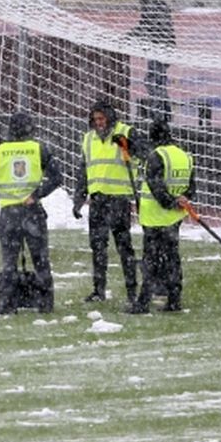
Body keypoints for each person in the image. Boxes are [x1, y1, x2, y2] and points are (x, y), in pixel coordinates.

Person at [72, 100, 148, 307]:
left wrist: (129, 145)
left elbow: (145, 153)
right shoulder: (88, 139)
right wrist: (79, 198)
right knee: (97, 247)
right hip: (98, 201)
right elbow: (84, 170)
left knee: (124, 248)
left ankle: (132, 290)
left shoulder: (126, 131)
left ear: (109, 117)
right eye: (95, 119)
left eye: (101, 118)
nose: (98, 123)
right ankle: (98, 290)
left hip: (119, 200)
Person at [0, 111, 63, 314]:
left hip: (9, 213)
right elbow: (56, 178)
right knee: (40, 259)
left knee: (9, 261)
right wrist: (36, 194)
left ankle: (7, 304)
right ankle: (46, 303)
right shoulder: (39, 149)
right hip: (32, 212)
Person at [127, 118, 195, 314]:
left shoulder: (156, 156)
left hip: (154, 217)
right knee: (172, 259)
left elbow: (155, 185)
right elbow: (192, 187)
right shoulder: (185, 156)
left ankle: (143, 302)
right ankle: (174, 299)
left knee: (150, 261)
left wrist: (170, 202)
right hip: (174, 219)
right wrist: (182, 200)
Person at [127, 0, 175, 122]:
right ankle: (164, 112)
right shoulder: (155, 4)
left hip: (161, 49)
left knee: (153, 81)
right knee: (156, 80)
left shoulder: (152, 5)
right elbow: (147, 26)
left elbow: (148, 27)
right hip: (162, 48)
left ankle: (161, 114)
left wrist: (129, 38)